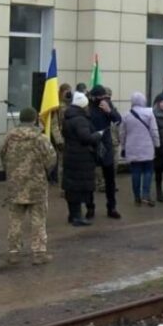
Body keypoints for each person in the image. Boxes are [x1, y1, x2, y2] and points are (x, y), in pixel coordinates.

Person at [0, 108, 57, 266]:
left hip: (15, 185)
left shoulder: (9, 136)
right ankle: (39, 253)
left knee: (15, 219)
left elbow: (2, 156)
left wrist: (11, 172)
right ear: (35, 119)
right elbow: (51, 159)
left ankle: (13, 252)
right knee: (38, 219)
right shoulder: (40, 138)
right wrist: (44, 171)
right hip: (36, 185)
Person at [62, 92, 99, 226]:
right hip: (81, 157)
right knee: (79, 187)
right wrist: (97, 136)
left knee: (72, 188)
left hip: (71, 155)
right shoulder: (80, 119)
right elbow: (86, 138)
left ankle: (73, 215)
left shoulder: (68, 117)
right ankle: (77, 217)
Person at [85, 86, 122, 220]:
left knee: (110, 180)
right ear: (93, 97)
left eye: (104, 97)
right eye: (100, 97)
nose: (103, 99)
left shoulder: (107, 104)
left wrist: (109, 110)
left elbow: (118, 119)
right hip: (91, 145)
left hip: (106, 146)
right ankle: (90, 208)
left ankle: (111, 207)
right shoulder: (87, 107)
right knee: (90, 180)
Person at [119, 92, 159, 207]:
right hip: (147, 148)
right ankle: (145, 195)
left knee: (135, 172)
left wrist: (123, 145)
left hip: (132, 147)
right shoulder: (149, 113)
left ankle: (137, 197)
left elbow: (122, 133)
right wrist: (157, 144)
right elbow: (154, 131)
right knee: (148, 172)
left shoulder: (126, 115)